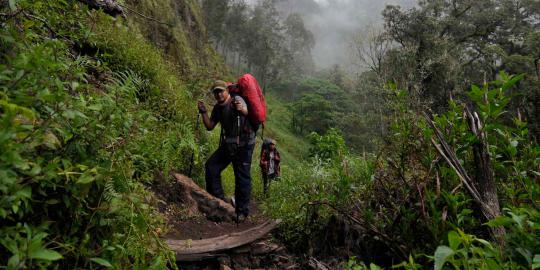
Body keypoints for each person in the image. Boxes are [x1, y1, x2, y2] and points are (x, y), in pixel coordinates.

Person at [197, 80, 256, 222]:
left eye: (221, 91)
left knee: (241, 176)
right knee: (211, 166)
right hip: (229, 143)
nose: (218, 94)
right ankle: (218, 199)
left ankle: (242, 212)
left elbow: (245, 110)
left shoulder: (236, 100)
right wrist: (204, 112)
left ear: (227, 91)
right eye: (215, 92)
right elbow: (210, 126)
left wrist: (241, 108)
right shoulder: (218, 108)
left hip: (244, 144)